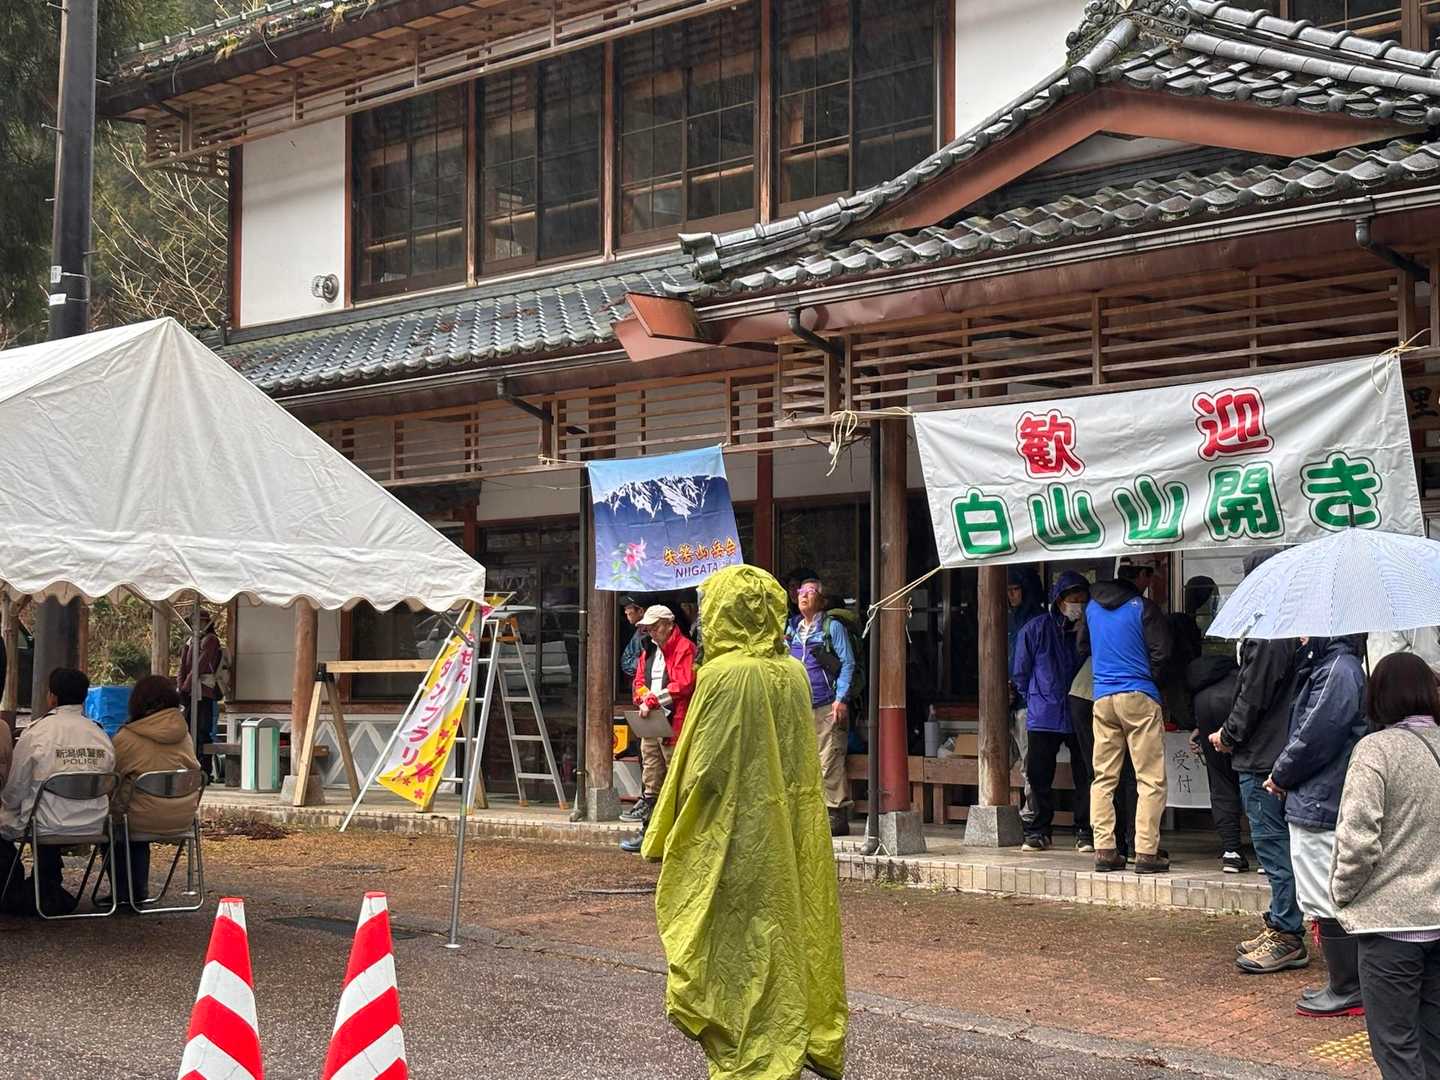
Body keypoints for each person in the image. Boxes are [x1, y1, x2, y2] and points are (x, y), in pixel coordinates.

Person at [642, 565, 846, 1079]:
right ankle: (790, 1036)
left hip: (733, 837)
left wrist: (665, 830)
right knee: (785, 936)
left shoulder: (722, 676)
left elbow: (700, 766)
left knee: (733, 947)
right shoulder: (794, 673)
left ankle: (747, 1050)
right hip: (791, 834)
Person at [1333, 652, 1440, 1074]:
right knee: (1434, 1042)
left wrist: (1342, 893)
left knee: (1395, 1045)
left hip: (1389, 926)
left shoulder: (1375, 751)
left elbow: (1358, 840)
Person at [1212, 551, 1307, 974]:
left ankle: (1287, 934)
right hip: (1279, 749)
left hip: (1264, 754)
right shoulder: (1297, 623)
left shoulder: (1271, 628)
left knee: (1273, 845)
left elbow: (1253, 694)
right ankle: (1281, 922)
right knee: (1283, 845)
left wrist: (1228, 735)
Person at [1264, 634, 1366, 1009]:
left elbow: (1316, 734)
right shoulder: (1339, 666)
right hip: (1320, 794)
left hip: (1320, 796)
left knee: (1323, 894)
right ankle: (1343, 983)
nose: (1302, 636)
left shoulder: (1338, 670)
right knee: (1322, 891)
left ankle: (1346, 986)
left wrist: (1281, 773)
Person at [1076, 564, 1172, 874]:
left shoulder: (1091, 608)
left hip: (1102, 697)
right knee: (1149, 777)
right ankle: (1146, 852)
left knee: (1103, 777)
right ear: (1137, 580)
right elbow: (1163, 652)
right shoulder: (1143, 607)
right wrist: (1150, 679)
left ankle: (1105, 850)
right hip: (1139, 694)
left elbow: (1081, 646)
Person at [0, 668, 114, 914]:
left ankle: (18, 888)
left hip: (46, 824)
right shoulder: (100, 734)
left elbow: (14, 790)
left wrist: (8, 806)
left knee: (13, 820)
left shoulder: (37, 732)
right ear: (84, 697)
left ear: (51, 697)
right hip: (94, 824)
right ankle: (48, 885)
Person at [1011, 570, 1091, 852]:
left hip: (1080, 710)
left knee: (1087, 773)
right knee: (1038, 774)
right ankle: (1038, 830)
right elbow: (1019, 672)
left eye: (1082, 599)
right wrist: (1034, 698)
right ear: (1059, 600)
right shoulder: (1035, 629)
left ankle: (1085, 829)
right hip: (1044, 712)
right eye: (1073, 599)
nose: (1078, 604)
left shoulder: (1089, 628)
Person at [110, 675, 202, 906]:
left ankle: (126, 892)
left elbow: (112, 777)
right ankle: (135, 891)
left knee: (116, 824)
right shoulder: (184, 735)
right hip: (182, 819)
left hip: (138, 820)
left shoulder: (127, 737)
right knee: (139, 809)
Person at [619, 605, 696, 853]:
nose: (651, 631)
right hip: (652, 719)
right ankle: (649, 831)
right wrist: (643, 698)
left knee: (676, 777)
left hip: (675, 721)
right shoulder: (649, 650)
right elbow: (639, 680)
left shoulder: (684, 647)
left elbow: (683, 684)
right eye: (648, 627)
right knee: (651, 776)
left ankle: (678, 835)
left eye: (655, 626)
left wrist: (651, 700)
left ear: (668, 624)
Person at [785, 579, 858, 837]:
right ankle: (811, 812)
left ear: (822, 600)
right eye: (801, 592)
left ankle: (836, 814)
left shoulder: (832, 627)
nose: (804, 596)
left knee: (829, 759)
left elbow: (847, 663)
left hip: (827, 703)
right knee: (803, 759)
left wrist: (841, 698)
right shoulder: (792, 629)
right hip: (799, 704)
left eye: (811, 591)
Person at [1068, 656, 1134, 856]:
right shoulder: (1139, 634)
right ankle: (1126, 843)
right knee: (1126, 775)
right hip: (1111, 694)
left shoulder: (1099, 629)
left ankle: (1104, 842)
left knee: (1099, 772)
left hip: (1084, 693)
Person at [1187, 652, 1247, 872]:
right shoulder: (1242, 675)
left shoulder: (1204, 679)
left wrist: (1198, 727)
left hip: (1203, 705)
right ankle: (1263, 847)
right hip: (1234, 705)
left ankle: (1231, 851)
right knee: (1250, 775)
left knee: (1220, 780)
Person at [1007, 566, 1045, 827]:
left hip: (1029, 700)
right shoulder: (1008, 617)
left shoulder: (1037, 619)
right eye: (1007, 590)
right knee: (1017, 760)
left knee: (1029, 762)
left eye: (1015, 589)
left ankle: (1031, 814)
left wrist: (1018, 688)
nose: (1011, 595)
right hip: (1008, 699)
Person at [178, 613, 222, 774]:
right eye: (193, 622)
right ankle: (190, 764)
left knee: (202, 730)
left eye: (200, 621)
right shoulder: (190, 642)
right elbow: (182, 666)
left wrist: (186, 685)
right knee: (188, 729)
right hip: (189, 690)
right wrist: (181, 687)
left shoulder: (211, 640)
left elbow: (200, 665)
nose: (196, 624)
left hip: (204, 690)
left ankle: (204, 769)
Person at [619, 596, 646, 683]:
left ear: (641, 611)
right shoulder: (639, 630)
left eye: (629, 608)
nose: (626, 611)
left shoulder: (646, 632)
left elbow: (628, 664)